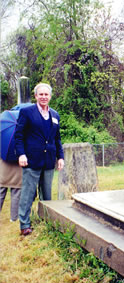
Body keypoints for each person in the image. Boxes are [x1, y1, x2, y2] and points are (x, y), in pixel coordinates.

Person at [15, 83, 64, 236]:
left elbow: (57, 139)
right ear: (36, 96)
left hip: (49, 161)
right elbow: (19, 136)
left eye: (46, 94)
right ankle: (24, 224)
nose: (43, 97)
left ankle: (46, 220)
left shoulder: (55, 115)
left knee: (47, 195)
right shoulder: (26, 112)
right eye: (40, 94)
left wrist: (60, 157)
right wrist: (21, 154)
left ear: (50, 96)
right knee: (28, 194)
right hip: (31, 160)